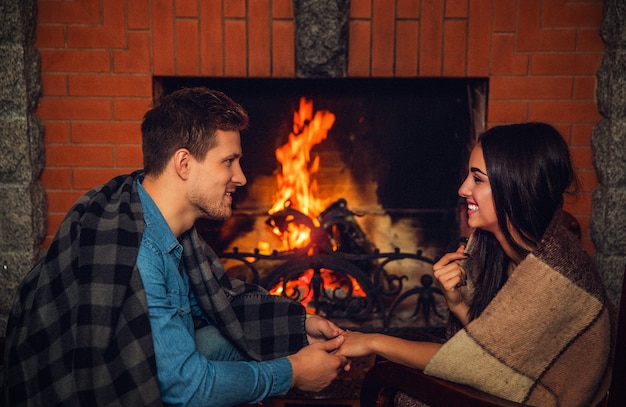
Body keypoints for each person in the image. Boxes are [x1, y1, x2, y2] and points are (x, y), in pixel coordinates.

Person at [3, 87, 349, 407]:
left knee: (228, 338)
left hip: (158, 363)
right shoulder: (139, 254)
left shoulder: (152, 211)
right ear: (183, 164)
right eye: (229, 161)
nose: (241, 177)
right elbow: (185, 387)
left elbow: (221, 301)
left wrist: (298, 322)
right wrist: (292, 373)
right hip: (88, 392)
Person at [336, 123, 614, 406]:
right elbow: (502, 348)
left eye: (478, 179)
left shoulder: (553, 279)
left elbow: (480, 363)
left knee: (404, 395)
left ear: (516, 185)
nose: (463, 189)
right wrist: (457, 303)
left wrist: (373, 341)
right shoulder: (508, 251)